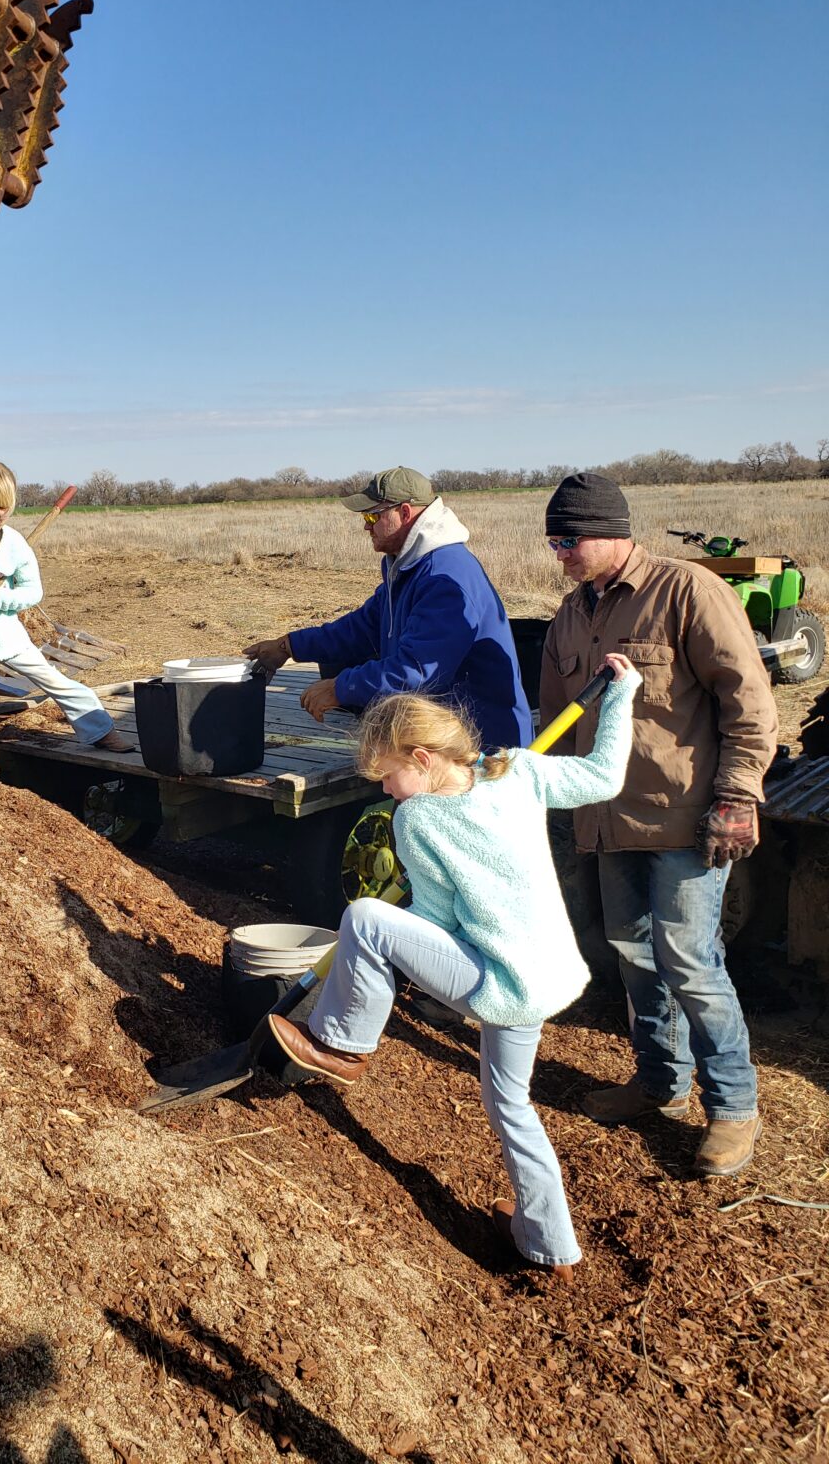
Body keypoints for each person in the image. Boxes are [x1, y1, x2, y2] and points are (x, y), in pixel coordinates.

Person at [269, 655, 643, 1285]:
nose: (383, 791)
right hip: (547, 978)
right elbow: (605, 776)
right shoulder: (520, 771)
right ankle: (550, 1242)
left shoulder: (417, 819)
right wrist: (623, 694)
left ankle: (345, 1045)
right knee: (510, 1104)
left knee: (364, 917)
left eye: (385, 777)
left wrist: (386, 941)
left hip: (498, 982)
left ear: (420, 757)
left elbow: (437, 924)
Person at [538, 472, 778, 1177]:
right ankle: (658, 1084)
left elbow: (749, 702)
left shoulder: (687, 591)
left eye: (569, 539)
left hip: (683, 819)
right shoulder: (570, 616)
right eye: (554, 541)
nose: (561, 553)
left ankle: (733, 1107)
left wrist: (738, 794)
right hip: (607, 821)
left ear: (611, 532)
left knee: (691, 962)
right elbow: (557, 721)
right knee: (634, 956)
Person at [243, 467, 532, 750]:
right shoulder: (408, 565)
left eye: (372, 515)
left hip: (481, 747)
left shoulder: (445, 577)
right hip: (440, 739)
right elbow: (362, 628)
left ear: (405, 513)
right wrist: (290, 646)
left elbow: (417, 672)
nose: (366, 526)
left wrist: (340, 688)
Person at [0, 461, 131, 792]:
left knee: (53, 680)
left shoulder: (16, 544)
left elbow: (33, 591)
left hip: (3, 633)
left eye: (3, 507)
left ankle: (101, 731)